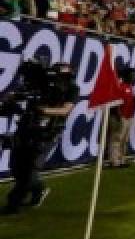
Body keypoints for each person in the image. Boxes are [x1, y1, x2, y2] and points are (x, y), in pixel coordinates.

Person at [3, 59, 78, 214]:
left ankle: (13, 204)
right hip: (27, 128)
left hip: (47, 132)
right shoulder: (42, 85)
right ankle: (39, 190)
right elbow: (20, 95)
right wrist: (12, 98)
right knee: (17, 168)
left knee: (29, 170)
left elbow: (65, 110)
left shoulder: (72, 89)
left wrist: (43, 110)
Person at [106, 67, 135, 168]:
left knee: (124, 140)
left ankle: (121, 159)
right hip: (120, 117)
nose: (134, 77)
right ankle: (114, 161)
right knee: (116, 139)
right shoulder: (120, 86)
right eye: (132, 75)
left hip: (128, 117)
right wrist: (119, 115)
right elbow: (115, 103)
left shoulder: (130, 87)